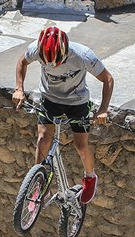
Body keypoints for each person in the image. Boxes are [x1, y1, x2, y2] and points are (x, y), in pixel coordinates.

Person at [12, 26, 114, 204]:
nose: (52, 66)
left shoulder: (83, 55)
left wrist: (103, 108)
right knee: (43, 139)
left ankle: (90, 177)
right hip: (50, 99)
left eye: (57, 61)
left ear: (65, 50)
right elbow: (22, 62)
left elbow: (108, 79)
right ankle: (39, 183)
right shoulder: (36, 49)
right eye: (47, 62)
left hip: (77, 102)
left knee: (81, 145)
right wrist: (19, 88)